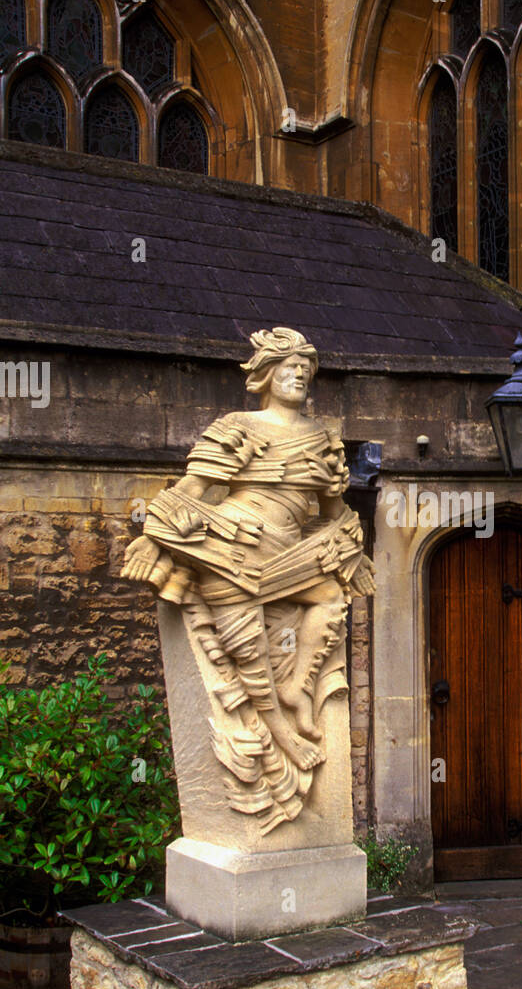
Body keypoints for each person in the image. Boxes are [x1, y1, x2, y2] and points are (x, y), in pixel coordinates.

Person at [122, 327, 375, 830]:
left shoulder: (323, 438)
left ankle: (297, 687)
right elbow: (192, 488)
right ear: (264, 375)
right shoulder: (238, 426)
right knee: (248, 647)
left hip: (290, 549)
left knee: (329, 595)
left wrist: (347, 545)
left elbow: (332, 509)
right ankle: (280, 732)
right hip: (233, 544)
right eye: (289, 366)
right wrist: (156, 536)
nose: (300, 374)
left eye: (306, 368)